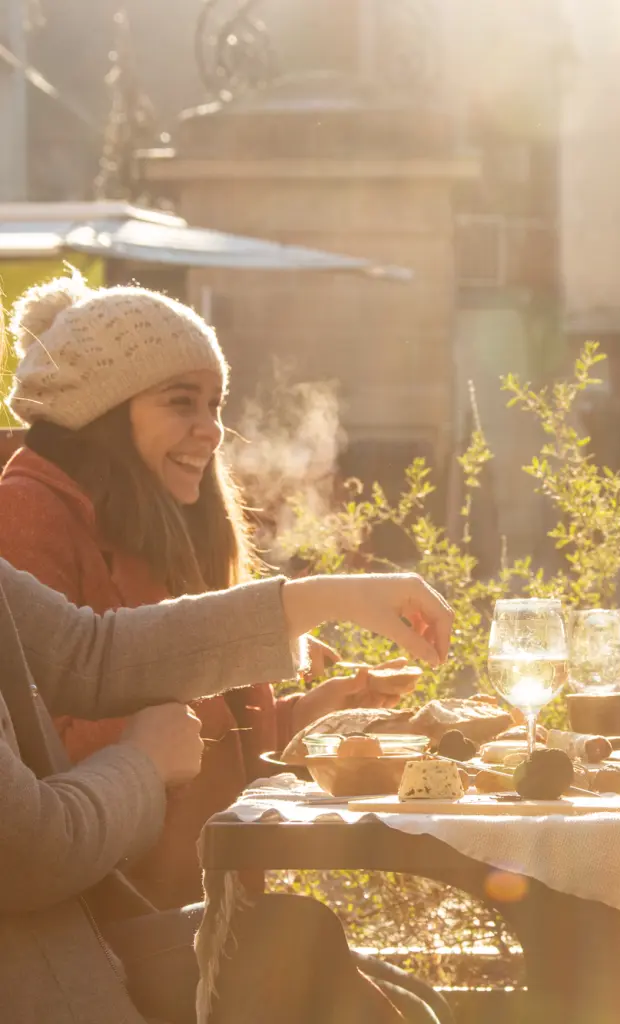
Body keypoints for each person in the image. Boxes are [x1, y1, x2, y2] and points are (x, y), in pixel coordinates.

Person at [0, 274, 421, 909]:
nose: (213, 430)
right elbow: (46, 752)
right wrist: (158, 745)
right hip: (112, 927)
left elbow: (200, 748)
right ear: (101, 411)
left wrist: (314, 717)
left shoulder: (157, 529)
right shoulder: (25, 516)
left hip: (197, 906)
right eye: (181, 403)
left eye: (215, 405)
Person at [0, 556, 453, 1023]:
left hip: (71, 944)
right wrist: (144, 764)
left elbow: (88, 654)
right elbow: (26, 849)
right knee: (297, 947)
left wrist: (332, 598)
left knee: (299, 939)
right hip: (35, 978)